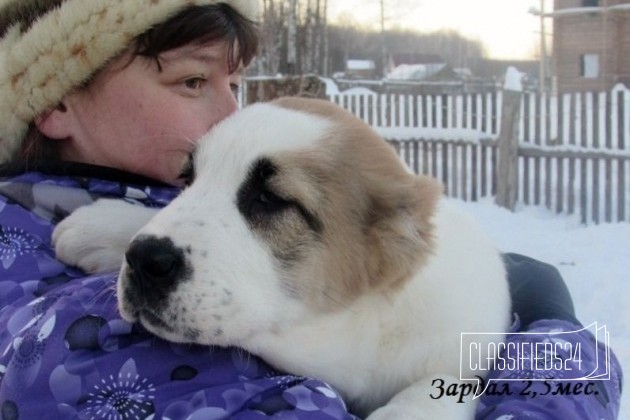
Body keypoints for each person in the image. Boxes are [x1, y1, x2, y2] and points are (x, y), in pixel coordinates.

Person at [0, 1, 622, 419]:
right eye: (193, 81)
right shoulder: (27, 270)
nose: (230, 111)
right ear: (57, 101)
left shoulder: (163, 200)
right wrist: (553, 341)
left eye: (235, 85)